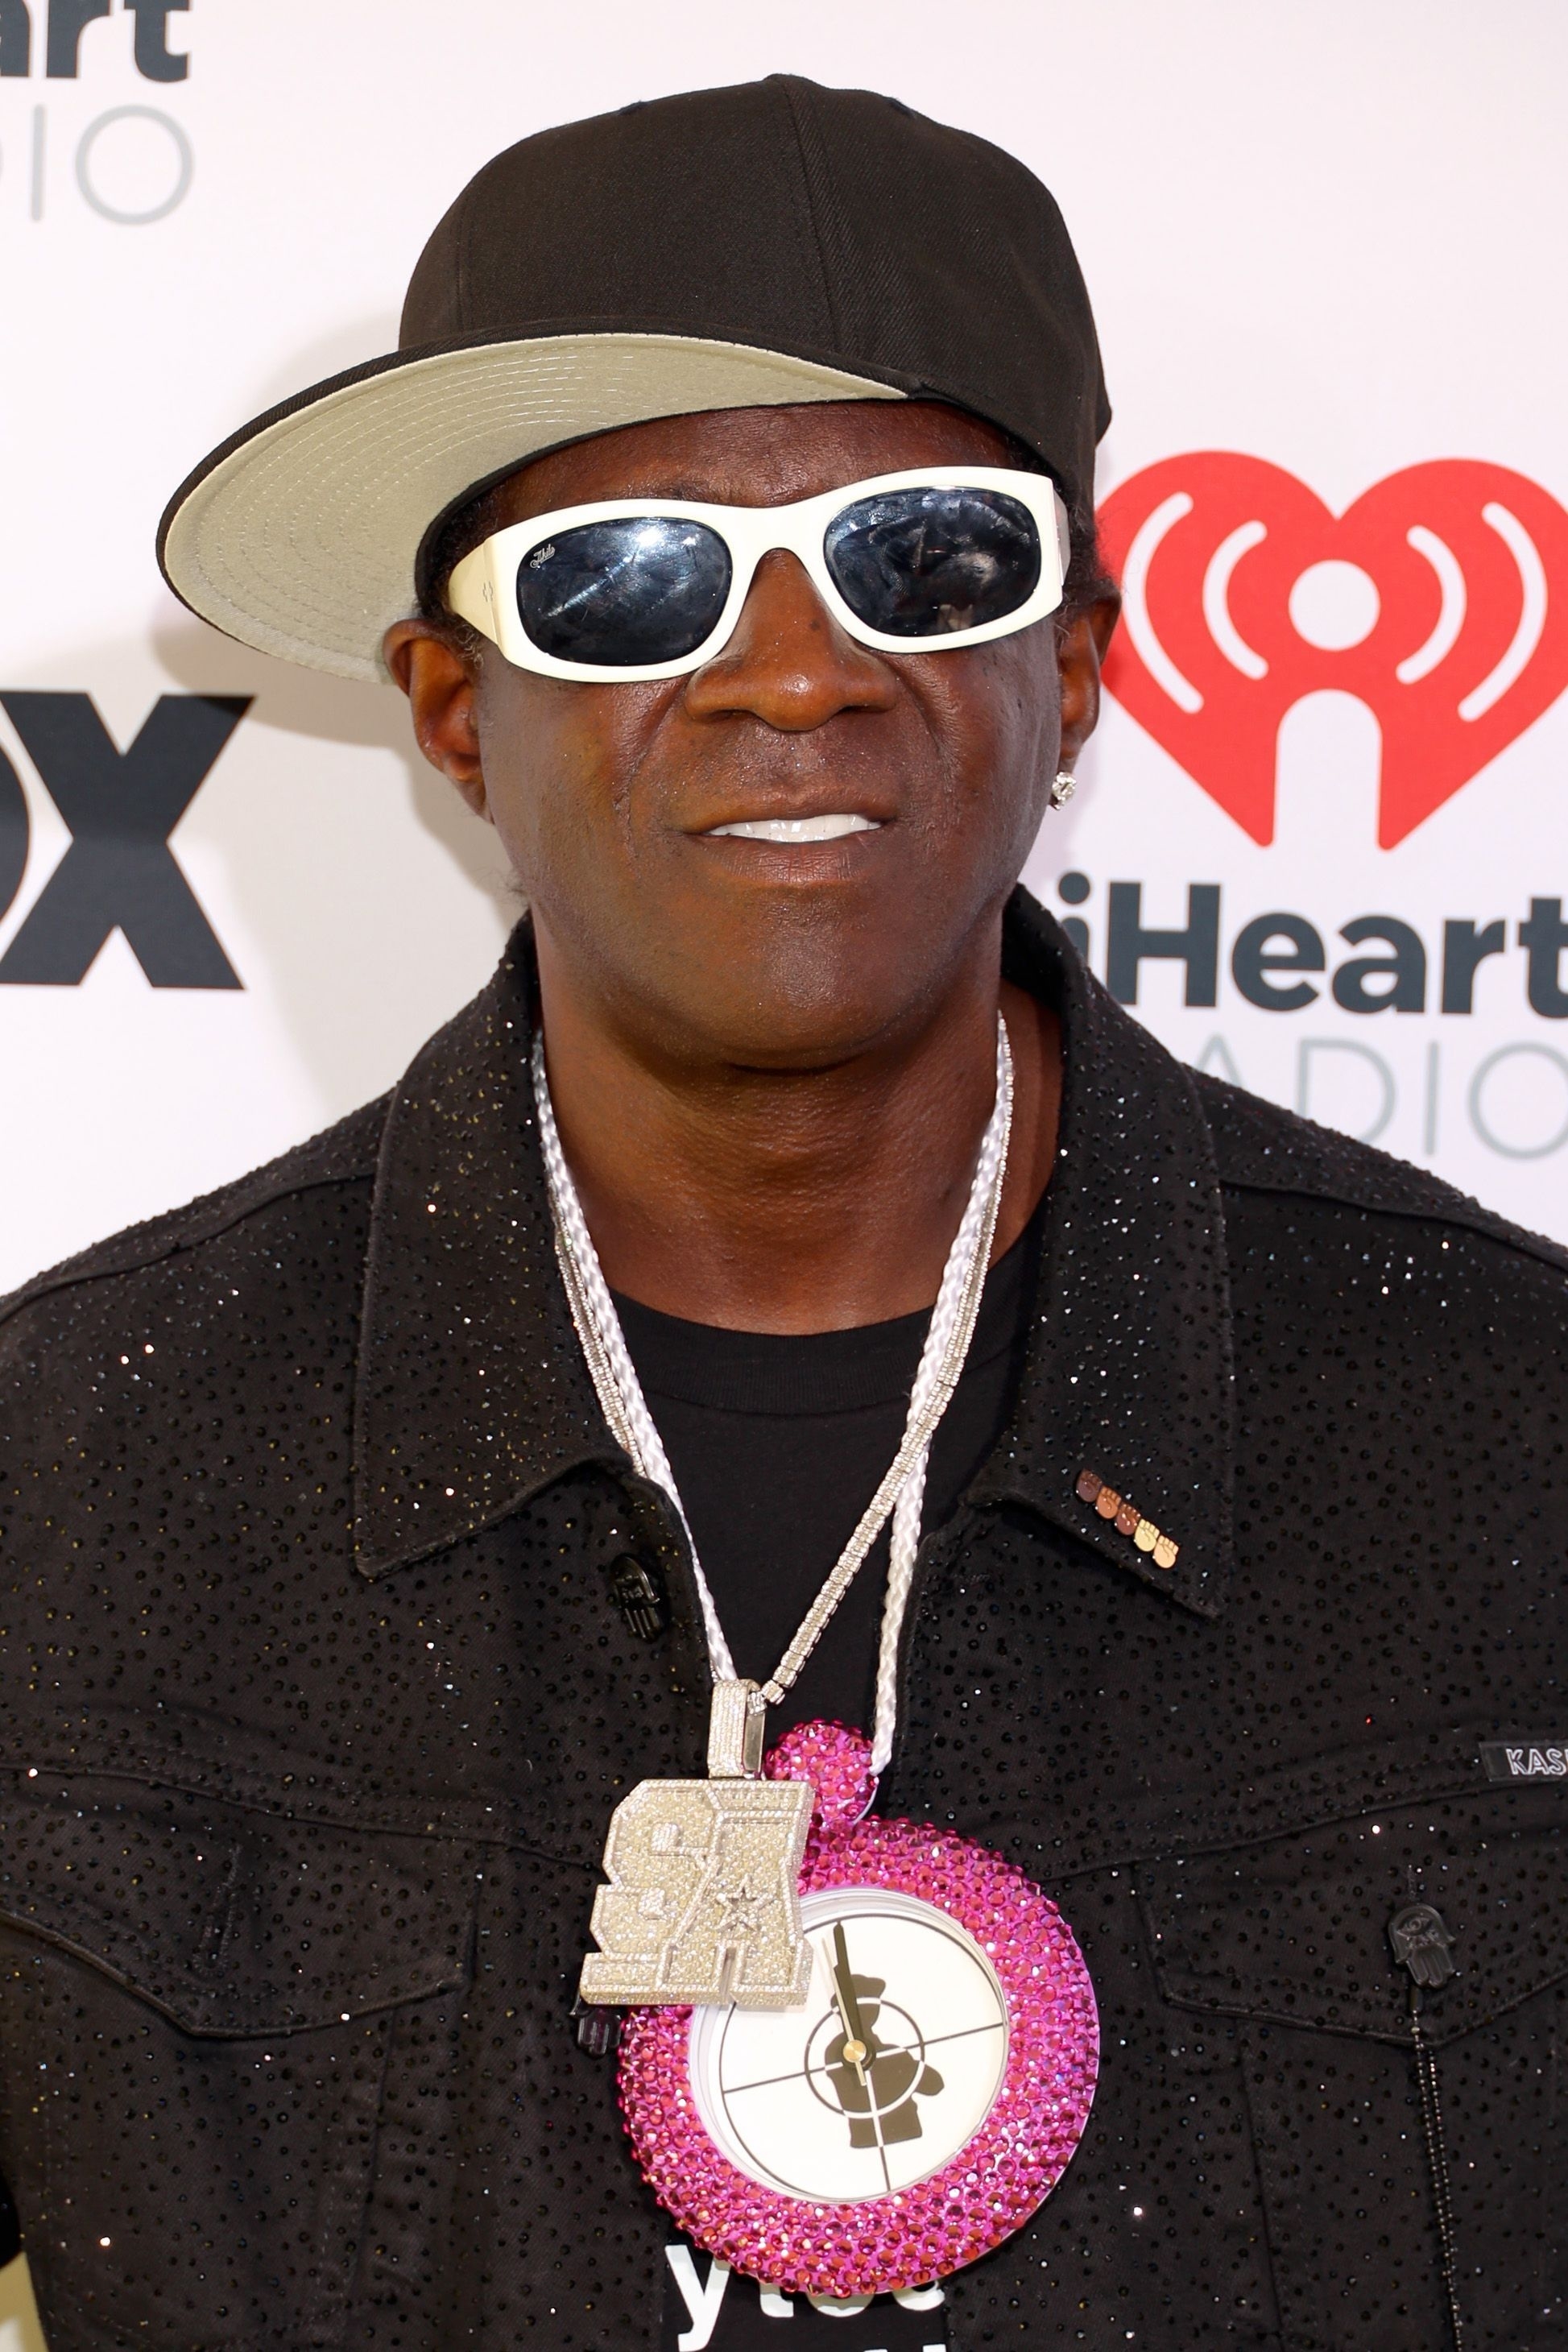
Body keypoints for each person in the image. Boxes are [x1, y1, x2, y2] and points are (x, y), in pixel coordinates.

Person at [2, 75, 1564, 2352]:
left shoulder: (1509, 1439)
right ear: (451, 707)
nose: (792, 674)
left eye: (923, 559)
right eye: (626, 582)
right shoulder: (70, 1480)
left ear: (1080, 673)